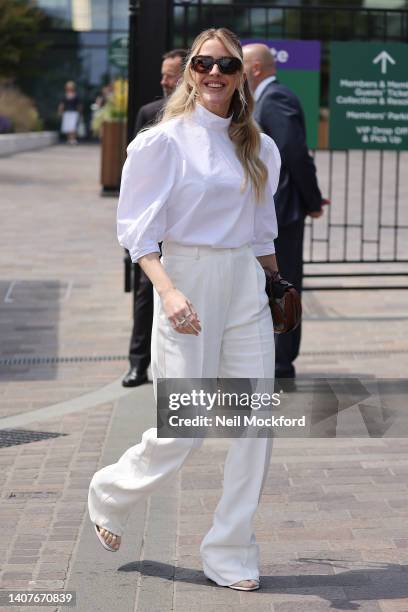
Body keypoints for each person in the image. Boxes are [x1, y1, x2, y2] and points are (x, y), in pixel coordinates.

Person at [88, 27, 282, 591]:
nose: (214, 74)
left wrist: (276, 287)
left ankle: (231, 552)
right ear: (191, 72)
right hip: (186, 278)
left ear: (241, 73)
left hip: (243, 280)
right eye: (204, 64)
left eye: (225, 65)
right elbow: (138, 234)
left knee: (255, 426)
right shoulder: (163, 142)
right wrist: (168, 292)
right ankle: (110, 490)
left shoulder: (258, 145)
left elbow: (263, 231)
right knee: (185, 426)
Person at [243, 44, 328, 379]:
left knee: (282, 284)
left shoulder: (275, 98)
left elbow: (294, 152)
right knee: (268, 284)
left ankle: (281, 362)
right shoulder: (263, 100)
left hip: (283, 214)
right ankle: (272, 357)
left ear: (257, 68)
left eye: (240, 64)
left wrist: (313, 201)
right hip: (273, 212)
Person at [122, 49, 188, 388]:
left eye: (171, 74)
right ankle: (138, 362)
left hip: (186, 225)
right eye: (163, 74)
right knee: (146, 294)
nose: (163, 81)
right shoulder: (149, 113)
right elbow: (132, 179)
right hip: (152, 226)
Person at [58, 81, 82, 145]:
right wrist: (60, 111)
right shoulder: (64, 95)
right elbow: (62, 104)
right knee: (67, 126)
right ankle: (68, 139)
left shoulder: (76, 95)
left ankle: (73, 139)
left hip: (74, 112)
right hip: (67, 112)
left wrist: (80, 113)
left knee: (73, 126)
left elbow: (79, 105)